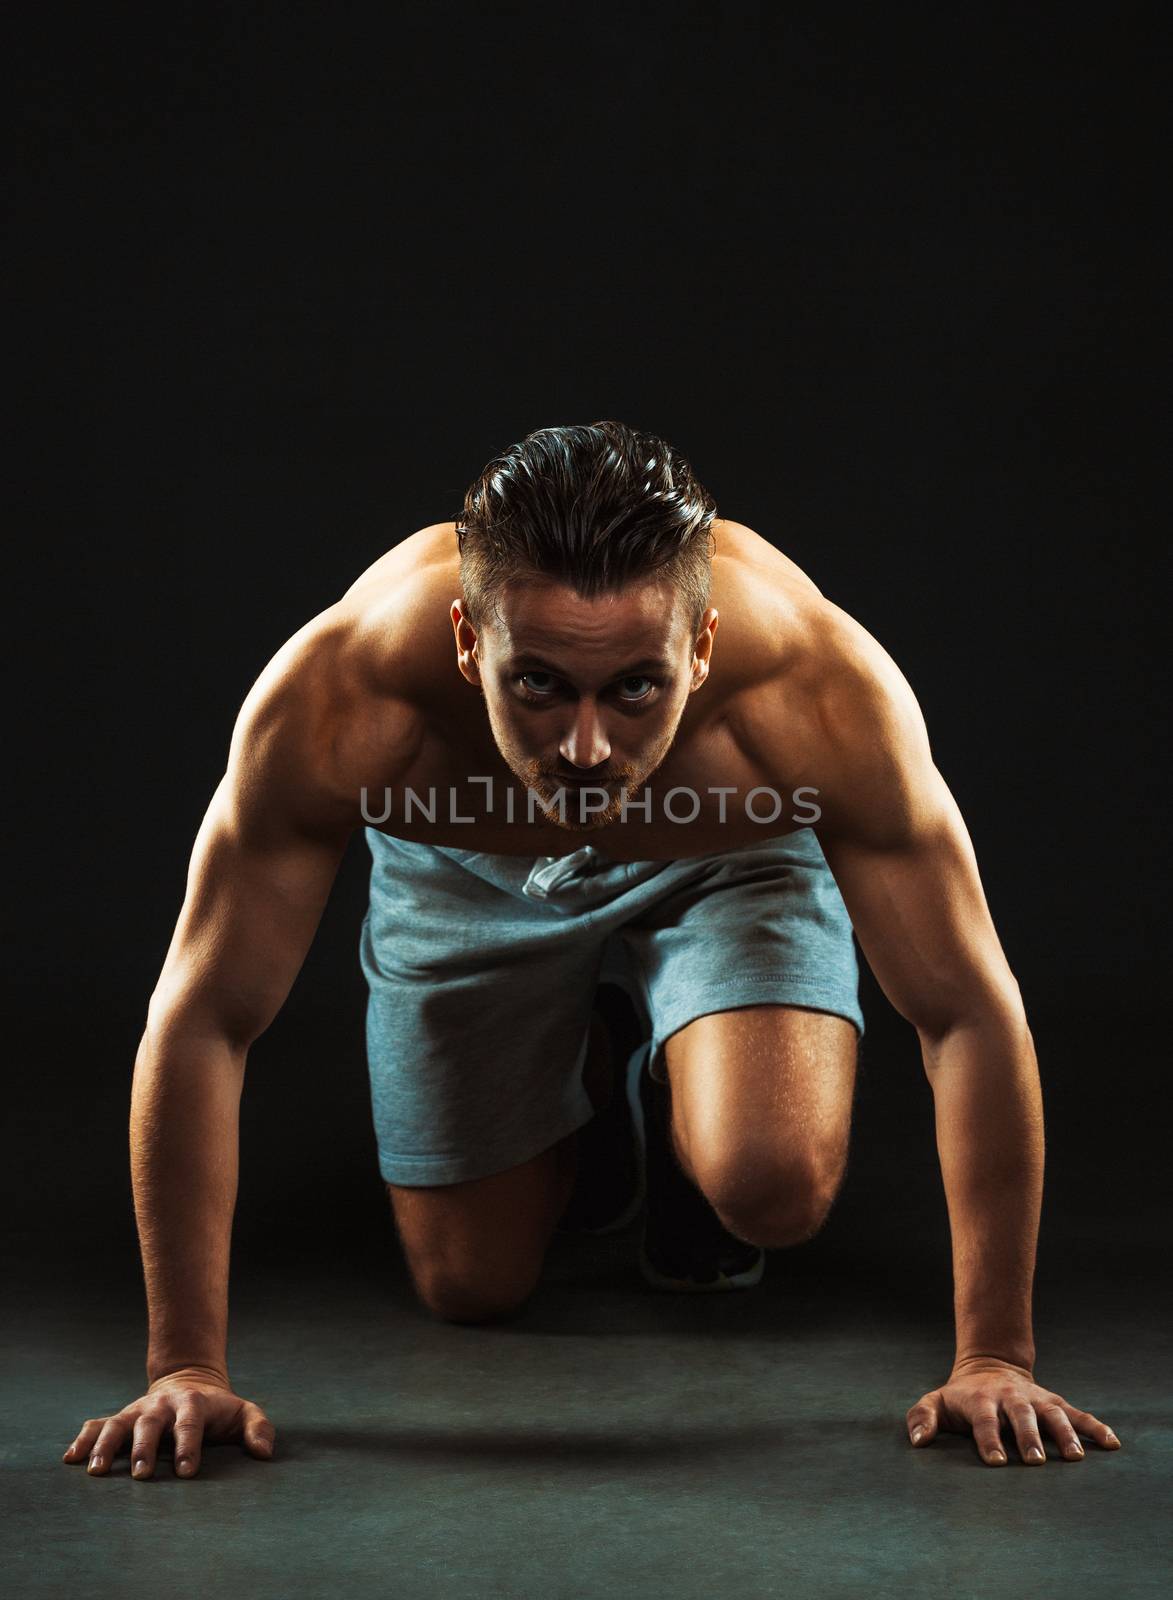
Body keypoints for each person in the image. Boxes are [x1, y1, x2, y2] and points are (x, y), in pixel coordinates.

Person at [62, 420, 1121, 1482]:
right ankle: (603, 1083)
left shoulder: (816, 690)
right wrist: (184, 1364)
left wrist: (995, 1353)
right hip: (463, 859)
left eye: (634, 688)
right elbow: (204, 1015)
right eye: (537, 686)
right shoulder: (345, 695)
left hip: (725, 849)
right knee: (470, 1285)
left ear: (700, 647)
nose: (585, 746)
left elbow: (969, 1008)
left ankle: (687, 1093)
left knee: (774, 1185)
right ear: (470, 641)